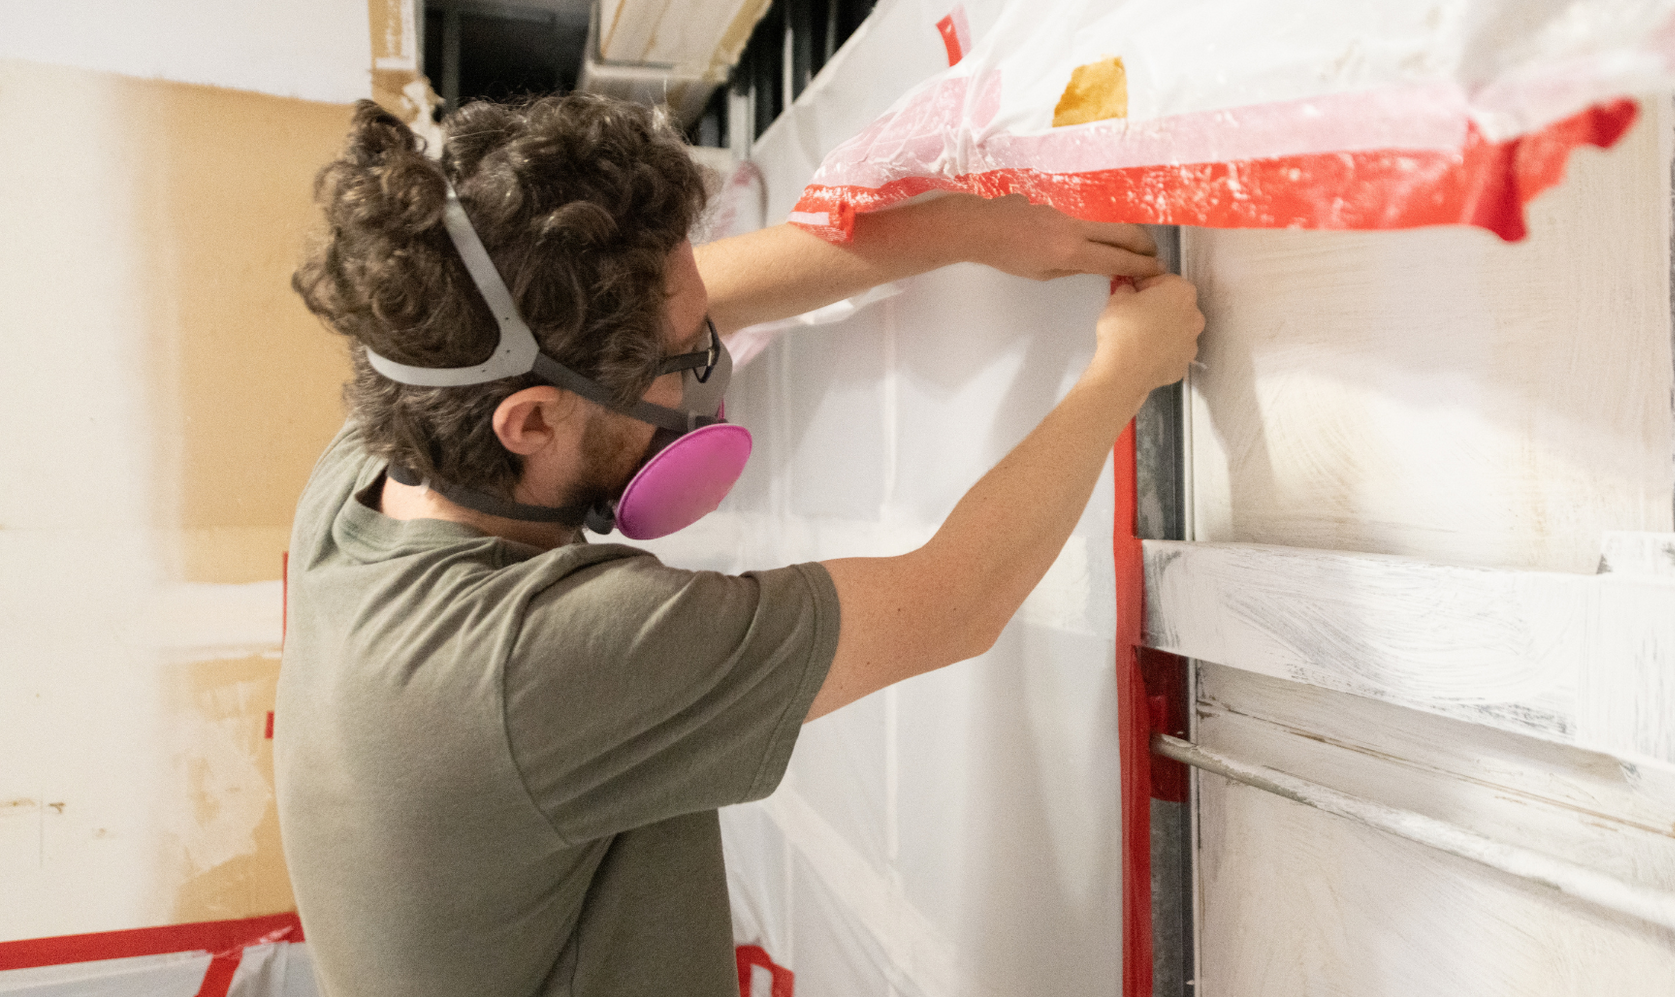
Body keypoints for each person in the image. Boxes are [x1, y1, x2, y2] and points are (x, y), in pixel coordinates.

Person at [277, 94, 1202, 997]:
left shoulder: (391, 446)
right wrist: (1121, 372)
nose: (707, 376)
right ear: (531, 421)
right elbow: (954, 604)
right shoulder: (526, 666)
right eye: (683, 364)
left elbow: (695, 291)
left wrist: (966, 228)